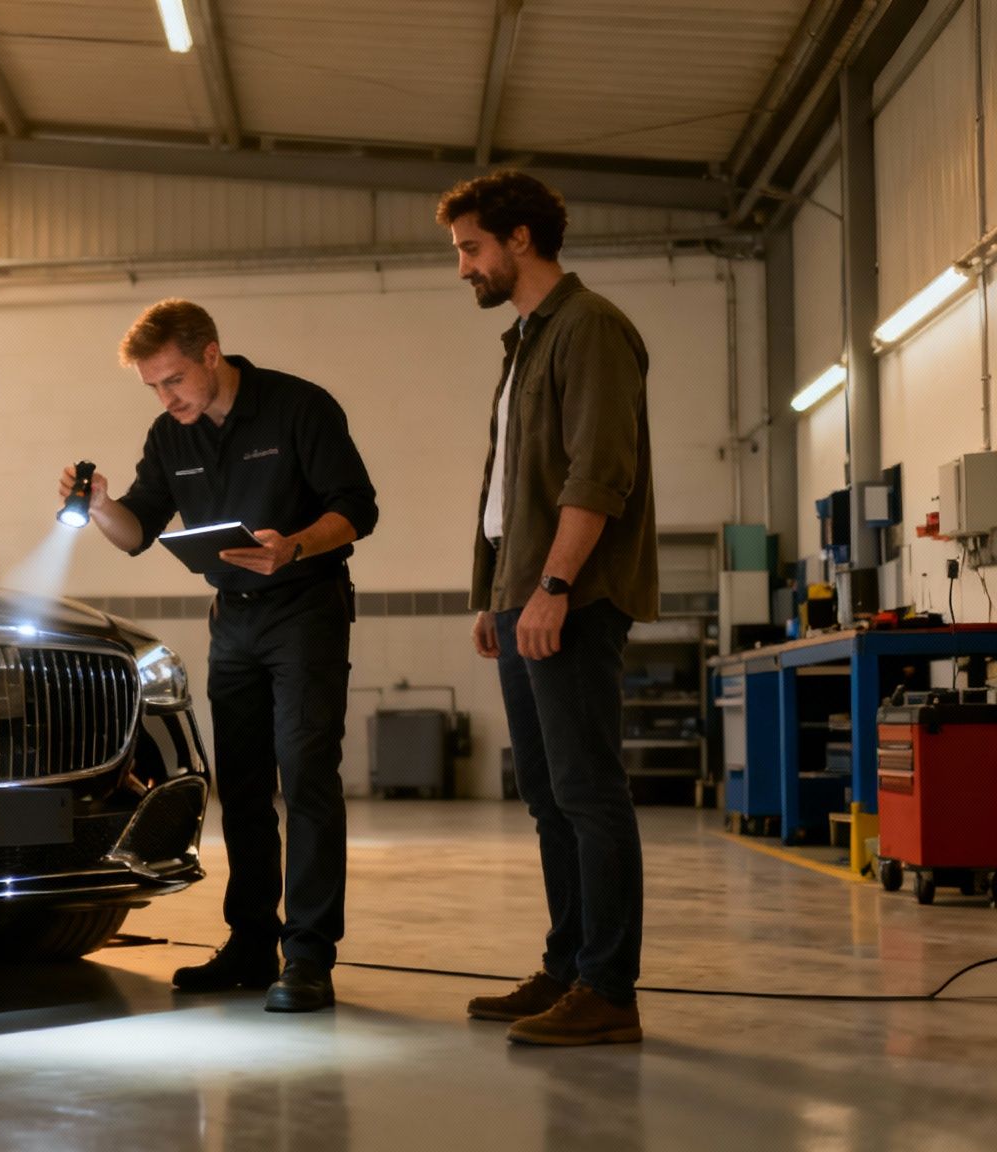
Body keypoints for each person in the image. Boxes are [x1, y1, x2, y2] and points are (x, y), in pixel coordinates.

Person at [62, 298, 377, 1012]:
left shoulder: (298, 406)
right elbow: (136, 531)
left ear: (211, 354)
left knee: (305, 780)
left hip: (305, 609)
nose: (165, 397)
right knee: (238, 788)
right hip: (233, 621)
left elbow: (358, 506)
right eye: (152, 387)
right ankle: (247, 945)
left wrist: (294, 544)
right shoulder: (170, 436)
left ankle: (308, 956)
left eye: (172, 380)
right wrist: (101, 504)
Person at [438, 170, 657, 1046]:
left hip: (572, 599)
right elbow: (504, 489)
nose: (463, 268)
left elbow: (598, 472)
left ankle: (609, 989)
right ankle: (568, 966)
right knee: (548, 797)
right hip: (523, 597)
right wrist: (495, 594)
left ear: (520, 239)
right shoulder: (526, 340)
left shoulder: (591, 328)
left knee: (588, 792)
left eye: (470, 248)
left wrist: (555, 587)